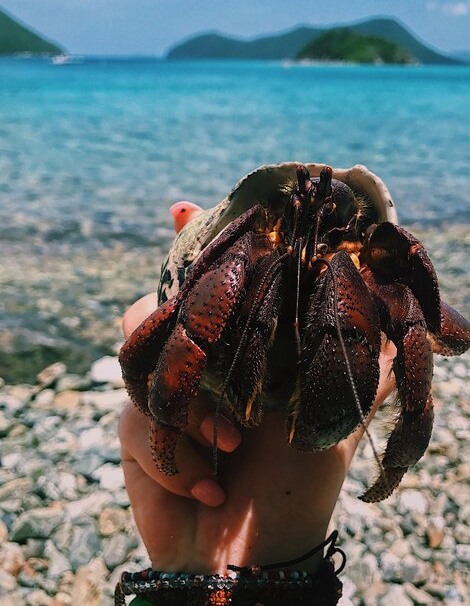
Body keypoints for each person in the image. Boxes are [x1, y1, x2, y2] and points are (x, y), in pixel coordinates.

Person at [115, 203, 397, 606]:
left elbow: (422, 325)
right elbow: (138, 356)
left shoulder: (352, 266)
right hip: (236, 277)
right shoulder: (250, 241)